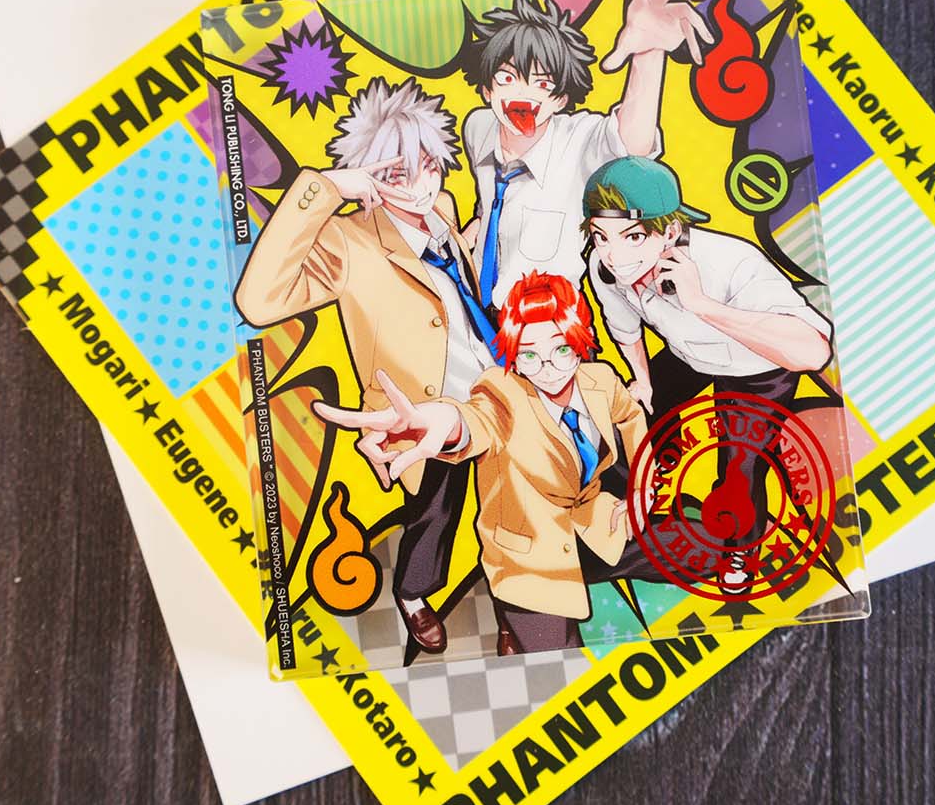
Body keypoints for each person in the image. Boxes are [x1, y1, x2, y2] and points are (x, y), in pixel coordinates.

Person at [234, 77, 495, 654]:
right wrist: (326, 189)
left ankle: (522, 595)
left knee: (513, 488)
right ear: (369, 176)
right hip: (419, 408)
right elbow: (257, 302)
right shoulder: (346, 242)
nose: (421, 186)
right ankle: (414, 594)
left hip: (489, 385)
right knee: (436, 512)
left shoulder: (443, 209)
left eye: (429, 166)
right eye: (397, 174)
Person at [314, 271, 679, 655]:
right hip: (530, 565)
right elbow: (476, 421)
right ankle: (508, 621)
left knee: (703, 545)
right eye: (529, 356)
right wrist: (447, 423)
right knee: (558, 665)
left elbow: (629, 416)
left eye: (560, 349)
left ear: (581, 340)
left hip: (597, 527)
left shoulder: (599, 379)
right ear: (514, 357)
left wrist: (642, 486)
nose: (548, 368)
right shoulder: (501, 393)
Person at [581, 156, 836, 587]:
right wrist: (642, 380)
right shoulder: (603, 267)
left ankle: (738, 553)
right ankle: (627, 506)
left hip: (756, 367)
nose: (614, 254)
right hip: (688, 356)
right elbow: (624, 327)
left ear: (670, 233)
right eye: (600, 236)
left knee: (739, 466)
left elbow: (812, 351)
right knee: (634, 416)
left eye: (634, 236)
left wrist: (702, 305)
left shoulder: (732, 262)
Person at [460, 0, 713, 310]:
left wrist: (649, 53)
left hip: (546, 322)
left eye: (542, 84)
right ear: (487, 89)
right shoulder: (478, 127)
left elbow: (633, 145)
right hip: (474, 308)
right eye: (507, 78)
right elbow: (489, 203)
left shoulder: (579, 141)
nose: (523, 94)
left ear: (561, 99)